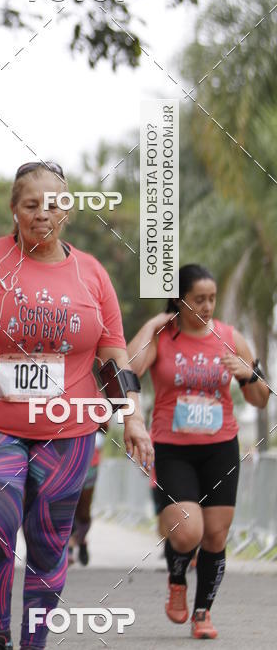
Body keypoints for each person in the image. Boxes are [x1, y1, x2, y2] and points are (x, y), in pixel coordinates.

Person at [0, 161, 152, 650]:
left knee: (48, 538)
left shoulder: (92, 274)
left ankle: (33, 641)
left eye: (54, 204)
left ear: (70, 211)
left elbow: (114, 355)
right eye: (31, 204)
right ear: (14, 211)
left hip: (70, 428)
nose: (43, 213)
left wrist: (133, 420)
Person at [128, 263, 270, 640]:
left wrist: (247, 373)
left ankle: (202, 613)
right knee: (188, 532)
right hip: (173, 448)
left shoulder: (229, 337)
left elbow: (260, 400)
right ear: (180, 300)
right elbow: (128, 367)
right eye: (198, 300)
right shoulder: (163, 336)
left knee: (215, 537)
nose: (207, 307)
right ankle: (177, 578)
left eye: (212, 299)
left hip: (220, 447)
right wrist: (154, 323)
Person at [67, 426, 106, 566]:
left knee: (83, 512)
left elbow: (105, 425)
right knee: (66, 505)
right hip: (63, 461)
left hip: (90, 463)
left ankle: (81, 540)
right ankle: (69, 547)